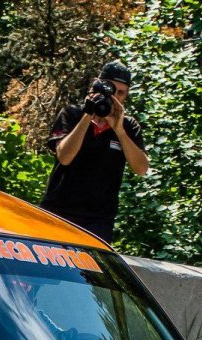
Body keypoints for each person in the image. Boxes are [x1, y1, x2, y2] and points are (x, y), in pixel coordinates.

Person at [40, 61, 149, 243]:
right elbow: (65, 157)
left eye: (121, 93)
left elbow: (141, 169)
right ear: (97, 86)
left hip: (99, 220)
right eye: (111, 89)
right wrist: (88, 114)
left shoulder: (128, 126)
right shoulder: (72, 114)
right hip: (58, 211)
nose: (115, 97)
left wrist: (119, 131)